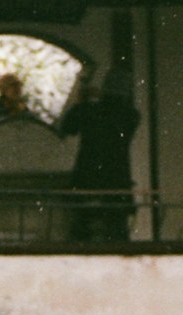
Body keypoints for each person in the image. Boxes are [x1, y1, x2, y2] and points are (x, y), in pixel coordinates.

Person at [58, 69, 140, 242]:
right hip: (117, 178)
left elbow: (66, 128)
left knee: (83, 230)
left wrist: (83, 101)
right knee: (117, 231)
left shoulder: (88, 110)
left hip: (87, 176)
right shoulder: (131, 116)